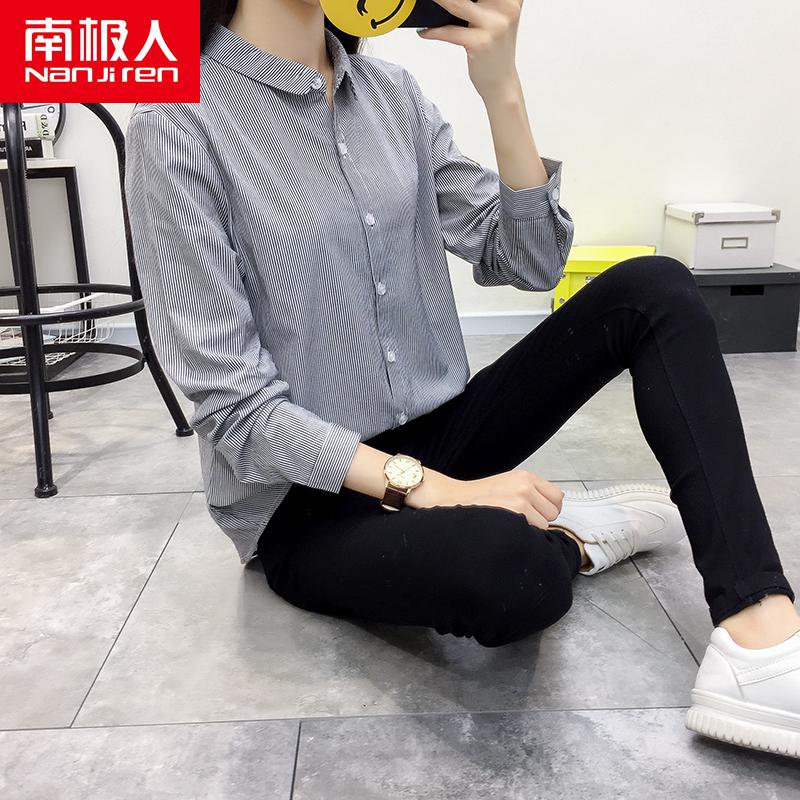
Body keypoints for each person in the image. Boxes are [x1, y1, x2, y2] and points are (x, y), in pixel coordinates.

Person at [123, 0, 800, 759]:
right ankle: (568, 535)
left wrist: (501, 86)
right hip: (305, 506)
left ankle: (760, 631)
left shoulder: (394, 98)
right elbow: (232, 404)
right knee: (510, 572)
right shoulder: (177, 122)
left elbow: (533, 262)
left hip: (440, 431)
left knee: (655, 289)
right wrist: (438, 491)